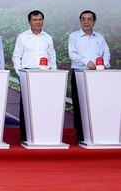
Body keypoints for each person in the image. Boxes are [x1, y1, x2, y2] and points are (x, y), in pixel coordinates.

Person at [12, 10, 57, 142]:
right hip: (28, 73)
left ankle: (42, 133)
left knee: (44, 104)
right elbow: (16, 56)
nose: (38, 22)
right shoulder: (22, 37)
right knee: (26, 105)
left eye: (40, 19)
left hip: (45, 74)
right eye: (35, 19)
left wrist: (53, 73)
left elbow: (52, 57)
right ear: (29, 22)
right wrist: (20, 73)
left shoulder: (48, 37)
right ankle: (25, 135)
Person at [68, 10, 110, 142]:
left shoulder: (99, 37)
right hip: (80, 73)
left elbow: (106, 53)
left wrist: (104, 64)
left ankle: (98, 131)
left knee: (98, 102)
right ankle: (80, 133)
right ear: (80, 21)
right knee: (79, 103)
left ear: (94, 21)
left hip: (97, 74)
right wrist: (87, 62)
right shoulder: (74, 36)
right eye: (83, 19)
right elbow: (72, 53)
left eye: (89, 19)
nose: (86, 21)